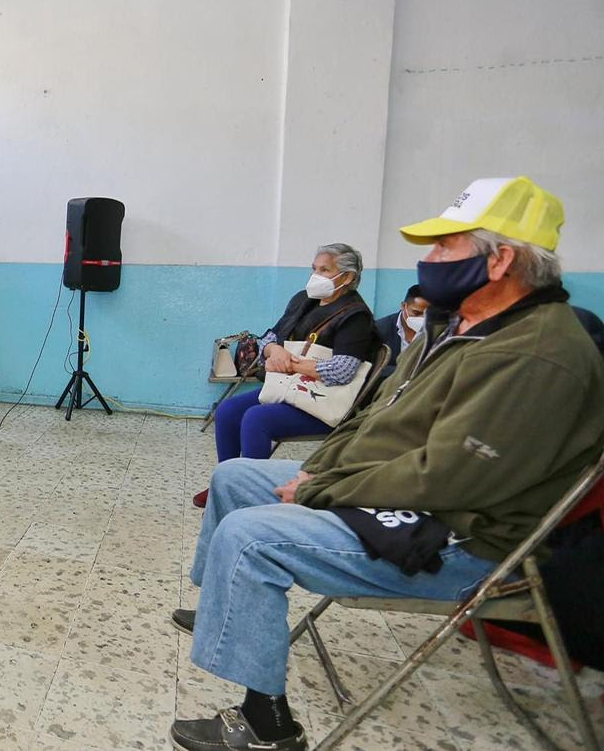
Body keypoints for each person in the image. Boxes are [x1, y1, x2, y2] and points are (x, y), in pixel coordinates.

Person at [168, 176, 604, 751]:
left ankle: (266, 728)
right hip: (399, 494)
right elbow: (374, 420)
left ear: (500, 261)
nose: (428, 260)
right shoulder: (455, 327)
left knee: (251, 538)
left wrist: (322, 490)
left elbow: (449, 477)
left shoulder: (539, 354)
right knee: (234, 476)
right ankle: (226, 612)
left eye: (446, 246)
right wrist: (321, 471)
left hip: (465, 538)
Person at [195, 244, 378, 510]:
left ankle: (250, 496)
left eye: (325, 270)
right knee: (227, 410)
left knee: (256, 419)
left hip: (320, 402)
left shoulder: (355, 317)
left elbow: (343, 371)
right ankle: (228, 484)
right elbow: (269, 335)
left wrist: (291, 364)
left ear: (347, 277)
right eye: (314, 269)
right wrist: (273, 349)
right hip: (288, 387)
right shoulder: (303, 300)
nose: (316, 275)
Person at [373, 284, 430, 379]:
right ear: (404, 306)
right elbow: (372, 368)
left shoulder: (435, 333)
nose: (422, 318)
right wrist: (406, 373)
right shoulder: (380, 329)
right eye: (416, 313)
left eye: (428, 314)